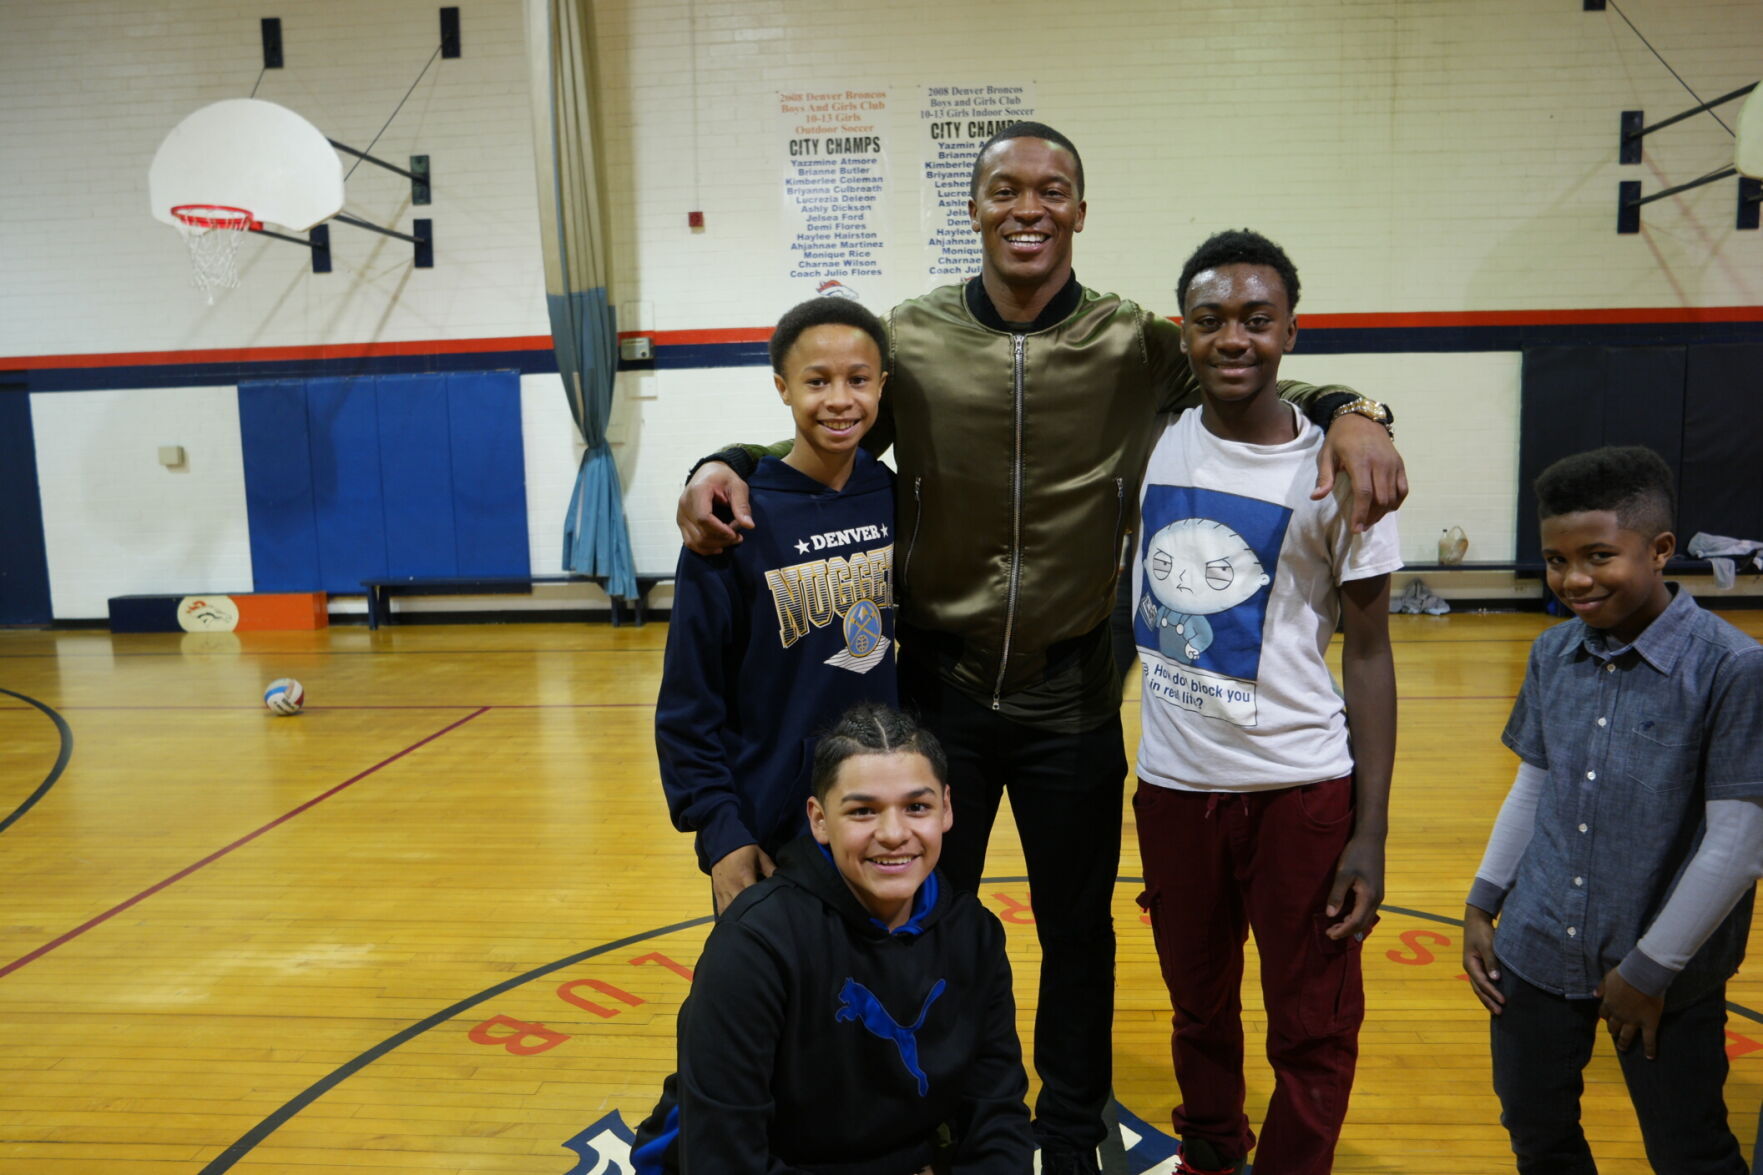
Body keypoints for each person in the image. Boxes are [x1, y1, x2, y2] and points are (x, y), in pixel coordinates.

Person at [676, 123, 1407, 1173]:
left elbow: (1251, 375)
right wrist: (720, 458)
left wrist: (1355, 408)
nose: (1028, 206)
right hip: (940, 687)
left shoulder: (1133, 341)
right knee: (921, 917)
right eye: (1005, 189)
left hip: (1072, 687)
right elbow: (824, 434)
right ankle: (920, 1105)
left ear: (1078, 208)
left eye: (1051, 189)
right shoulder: (913, 339)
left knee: (1078, 936)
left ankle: (1067, 1129)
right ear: (970, 208)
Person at [1131, 230, 1398, 1175]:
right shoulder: (1151, 435)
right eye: (1210, 321)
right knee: (1198, 1007)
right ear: (1183, 333)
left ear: (1291, 328)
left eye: (1256, 319)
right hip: (1171, 789)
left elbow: (1368, 653)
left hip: (1300, 790)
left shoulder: (1344, 471)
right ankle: (1209, 1153)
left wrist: (1368, 831)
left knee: (1311, 1024)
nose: (1233, 338)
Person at [1462, 446, 1763, 1175]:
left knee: (1687, 1147)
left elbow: (1738, 844)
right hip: (1533, 948)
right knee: (1536, 1133)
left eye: (1597, 555)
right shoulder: (1549, 653)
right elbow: (1533, 785)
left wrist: (1648, 970)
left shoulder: (1731, 667)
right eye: (1555, 559)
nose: (1572, 579)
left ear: (1659, 549)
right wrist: (1482, 901)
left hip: (1662, 969)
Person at [631, 703, 1036, 1175]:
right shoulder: (752, 947)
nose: (893, 833)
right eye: (863, 811)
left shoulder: (974, 935)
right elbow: (723, 1157)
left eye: (916, 807)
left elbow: (997, 1117)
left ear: (946, 809)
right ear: (819, 820)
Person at [656, 297, 898, 916]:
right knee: (772, 1006)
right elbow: (689, 702)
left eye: (858, 380)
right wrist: (721, 832)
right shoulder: (730, 520)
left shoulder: (899, 500)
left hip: (885, 825)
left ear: (882, 386)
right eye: (817, 381)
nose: (839, 399)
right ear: (783, 388)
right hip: (770, 831)